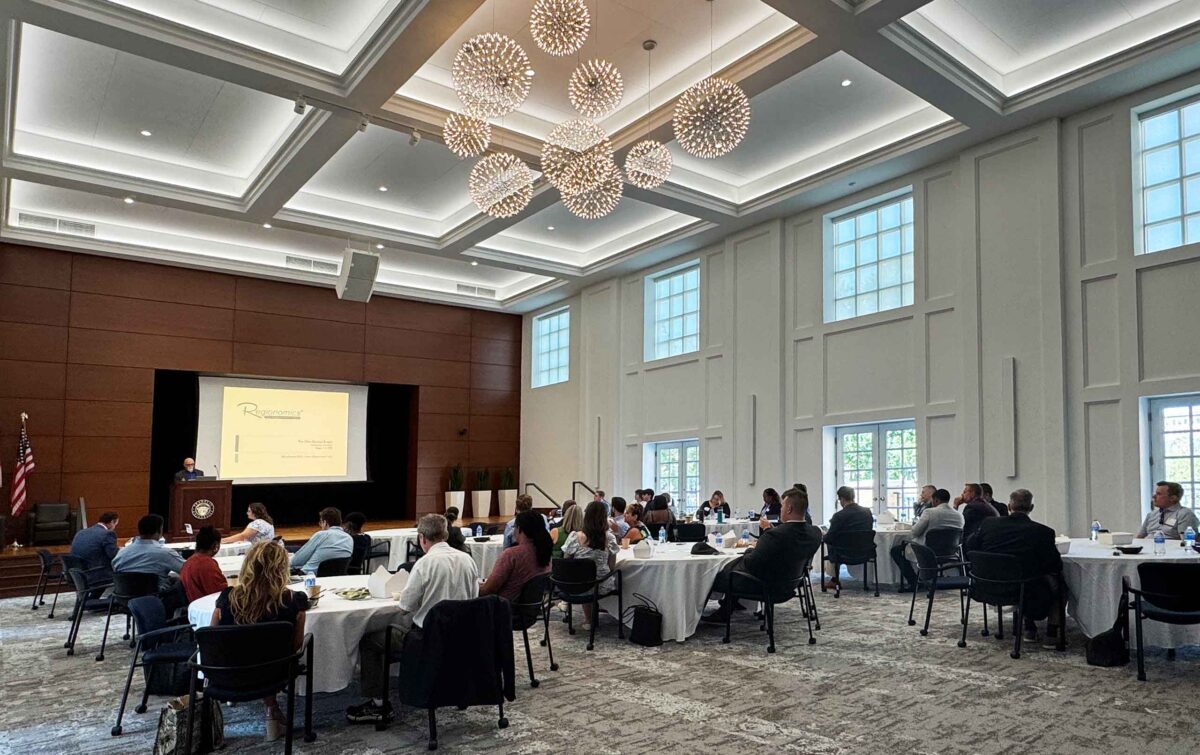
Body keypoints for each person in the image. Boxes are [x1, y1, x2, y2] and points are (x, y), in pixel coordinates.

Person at [346, 514, 478, 724]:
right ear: (444, 534)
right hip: (462, 635)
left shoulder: (424, 565)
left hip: (427, 638)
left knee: (370, 641)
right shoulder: (468, 560)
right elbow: (474, 598)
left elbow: (405, 607)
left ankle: (378, 704)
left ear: (422, 538)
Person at [211, 540, 308, 742]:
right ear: (282, 568)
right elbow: (296, 646)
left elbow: (213, 637)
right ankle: (272, 711)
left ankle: (271, 709)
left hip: (228, 672)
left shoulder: (227, 598)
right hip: (275, 673)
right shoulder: (293, 600)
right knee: (270, 653)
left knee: (252, 651)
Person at [703, 487, 822, 621]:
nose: (781, 509)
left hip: (767, 585)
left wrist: (749, 550)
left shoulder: (774, 536)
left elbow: (752, 563)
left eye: (782, 506)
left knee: (716, 574)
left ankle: (706, 613)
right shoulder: (815, 533)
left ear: (788, 509)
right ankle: (729, 606)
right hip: (792, 583)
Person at [965, 489, 1063, 642]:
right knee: (1061, 585)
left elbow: (970, 546)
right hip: (1023, 589)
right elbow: (1054, 565)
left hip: (986, 585)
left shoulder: (988, 524)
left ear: (1009, 506)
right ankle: (1051, 634)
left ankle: (1030, 628)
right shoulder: (1043, 532)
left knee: (1028, 578)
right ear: (1031, 508)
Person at [888, 488, 963, 591]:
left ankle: (914, 582)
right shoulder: (959, 516)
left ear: (935, 500)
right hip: (950, 552)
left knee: (896, 550)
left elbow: (915, 532)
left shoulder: (929, 512)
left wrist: (906, 538)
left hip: (927, 550)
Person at [112, 514, 187, 613]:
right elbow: (189, 570)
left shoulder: (121, 553)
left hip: (124, 601)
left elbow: (115, 569)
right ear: (159, 531)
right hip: (157, 600)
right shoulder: (164, 553)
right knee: (181, 583)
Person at [562, 500, 619, 631]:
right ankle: (606, 612)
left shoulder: (574, 536)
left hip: (576, 585)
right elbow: (611, 566)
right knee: (600, 577)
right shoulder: (609, 538)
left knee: (583, 578)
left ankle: (588, 619)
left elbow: (566, 561)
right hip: (601, 585)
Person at [481, 510, 552, 601]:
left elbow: (488, 589)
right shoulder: (546, 553)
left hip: (503, 606)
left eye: (514, 527)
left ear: (520, 529)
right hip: (531, 607)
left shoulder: (511, 555)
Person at [822, 486, 874, 590]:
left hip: (843, 553)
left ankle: (834, 579)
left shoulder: (839, 516)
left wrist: (823, 534)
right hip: (864, 552)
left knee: (830, 542)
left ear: (841, 499)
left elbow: (829, 538)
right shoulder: (867, 512)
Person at [290, 507, 353, 574]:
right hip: (335, 579)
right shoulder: (349, 538)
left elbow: (296, 561)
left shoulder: (321, 535)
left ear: (325, 522)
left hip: (309, 578)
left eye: (320, 522)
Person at [70, 511, 119, 589]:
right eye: (116, 524)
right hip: (95, 573)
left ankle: (91, 599)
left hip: (77, 573)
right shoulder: (107, 534)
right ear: (112, 522)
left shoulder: (81, 532)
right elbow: (114, 555)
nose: (114, 527)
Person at [180, 525, 228, 602]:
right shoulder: (207, 564)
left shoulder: (188, 562)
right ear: (216, 545)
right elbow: (221, 593)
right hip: (209, 607)